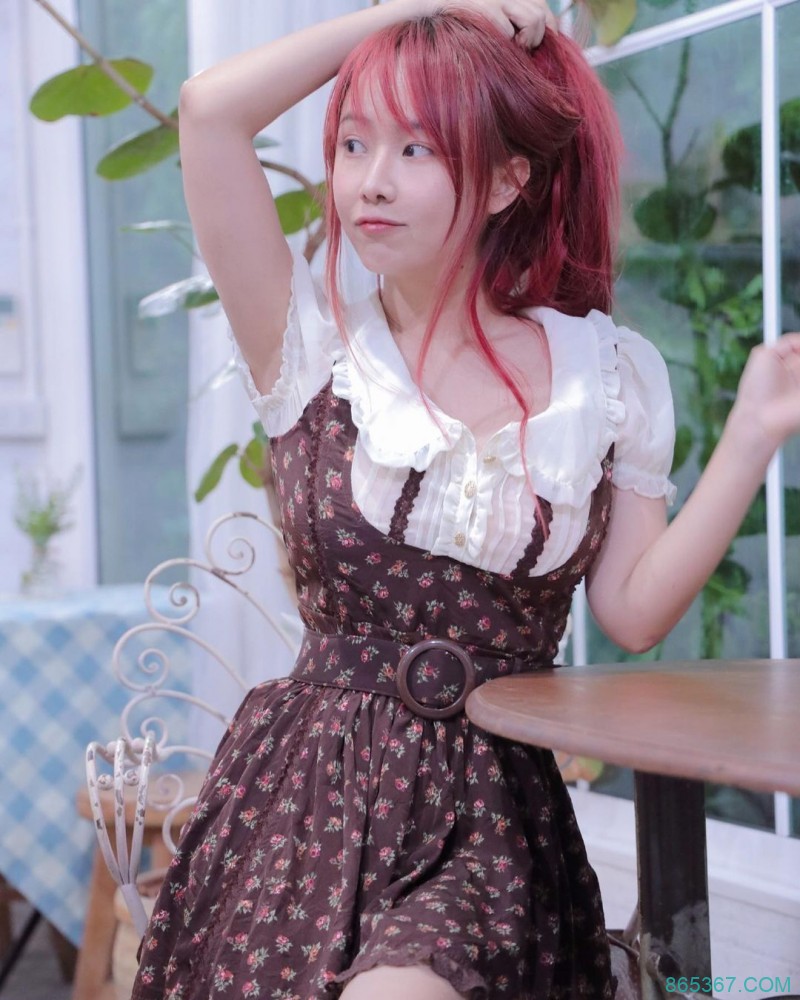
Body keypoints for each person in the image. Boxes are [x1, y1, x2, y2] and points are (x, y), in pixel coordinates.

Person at [131, 1, 800, 998]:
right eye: (353, 143)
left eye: (415, 148)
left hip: (489, 815)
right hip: (306, 804)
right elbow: (209, 111)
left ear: (503, 181)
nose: (371, 180)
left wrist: (750, 437)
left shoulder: (606, 376)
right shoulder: (310, 343)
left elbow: (631, 612)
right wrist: (421, 7)